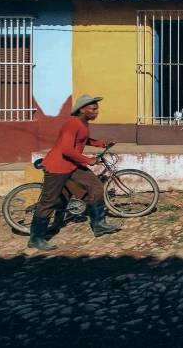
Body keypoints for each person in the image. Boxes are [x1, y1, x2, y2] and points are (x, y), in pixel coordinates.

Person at [28, 94, 121, 251]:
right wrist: (87, 160)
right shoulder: (72, 125)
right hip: (59, 166)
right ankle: (35, 238)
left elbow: (84, 139)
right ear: (83, 110)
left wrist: (102, 143)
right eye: (93, 109)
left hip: (72, 165)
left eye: (97, 109)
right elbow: (66, 149)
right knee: (49, 201)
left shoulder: (83, 124)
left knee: (96, 186)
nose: (97, 112)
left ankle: (99, 225)